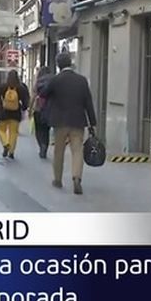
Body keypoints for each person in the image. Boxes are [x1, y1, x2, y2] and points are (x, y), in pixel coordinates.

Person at [41, 52, 97, 195]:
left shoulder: (55, 80)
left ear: (58, 65)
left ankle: (58, 179)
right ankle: (76, 177)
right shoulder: (82, 80)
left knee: (58, 151)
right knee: (77, 150)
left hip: (59, 122)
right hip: (78, 121)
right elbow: (88, 103)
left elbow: (44, 93)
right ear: (71, 63)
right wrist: (92, 123)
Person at [0, 70, 30, 159]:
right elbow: (26, 102)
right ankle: (11, 152)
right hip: (15, 113)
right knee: (13, 133)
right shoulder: (21, 87)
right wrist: (23, 109)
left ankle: (5, 144)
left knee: (1, 130)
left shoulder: (3, 86)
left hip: (3, 112)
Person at [32, 66, 54, 159]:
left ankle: (41, 145)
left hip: (38, 109)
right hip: (49, 109)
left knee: (38, 129)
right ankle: (45, 145)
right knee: (46, 130)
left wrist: (30, 108)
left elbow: (33, 95)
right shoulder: (53, 81)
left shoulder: (38, 82)